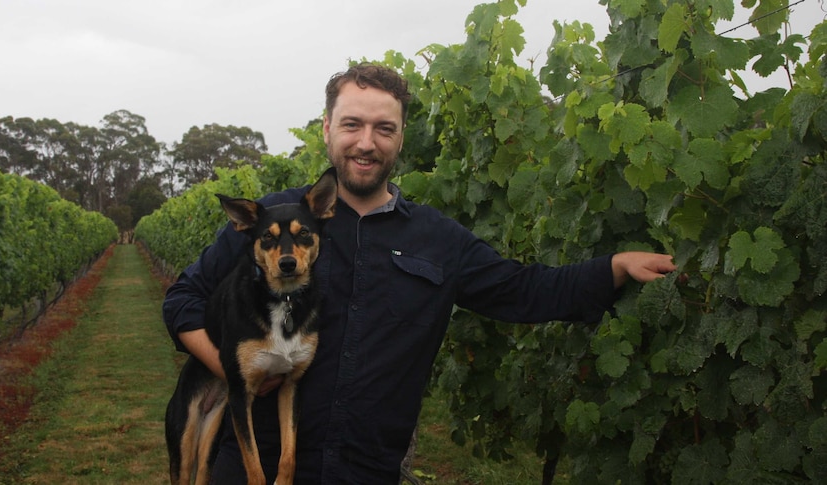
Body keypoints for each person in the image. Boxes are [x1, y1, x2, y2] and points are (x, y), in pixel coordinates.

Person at [163, 62, 676, 484]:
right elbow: (184, 299)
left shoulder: (437, 238)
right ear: (327, 129)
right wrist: (235, 371)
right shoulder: (274, 220)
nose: (367, 142)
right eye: (352, 125)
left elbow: (523, 290)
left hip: (367, 472)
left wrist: (613, 267)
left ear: (401, 136)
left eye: (383, 128)